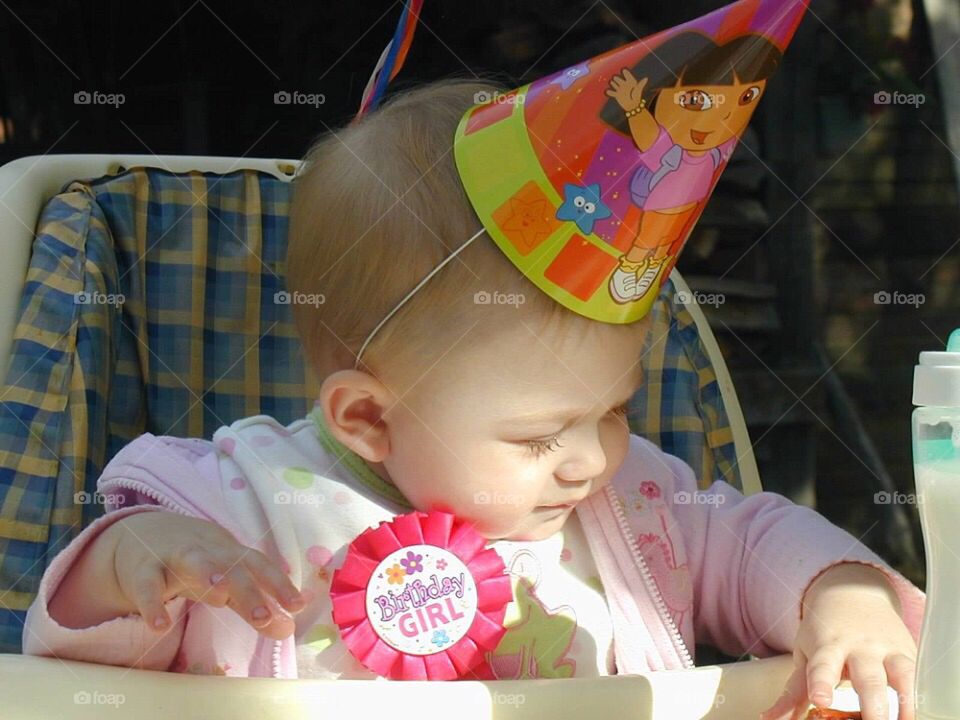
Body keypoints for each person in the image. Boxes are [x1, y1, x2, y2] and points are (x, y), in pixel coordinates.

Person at [23, 80, 923, 720]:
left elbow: (755, 537)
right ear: (368, 419)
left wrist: (840, 594)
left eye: (613, 410)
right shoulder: (235, 508)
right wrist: (139, 560)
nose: (590, 458)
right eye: (536, 436)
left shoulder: (639, 505)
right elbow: (73, 660)